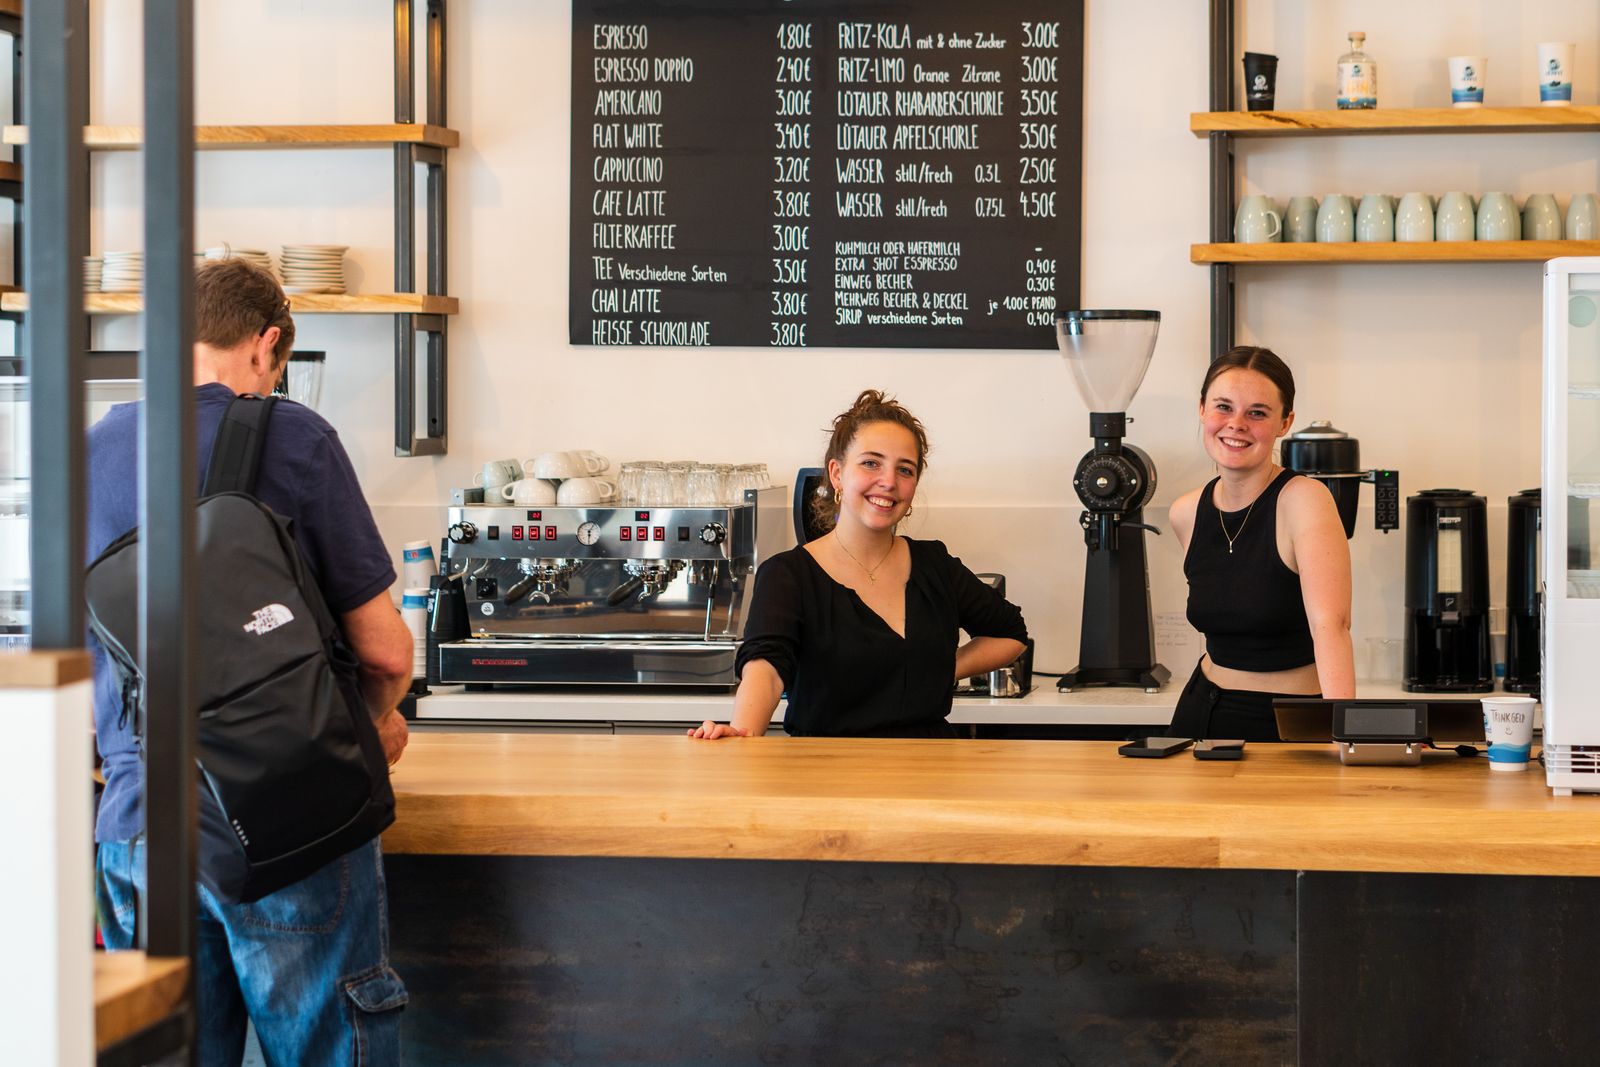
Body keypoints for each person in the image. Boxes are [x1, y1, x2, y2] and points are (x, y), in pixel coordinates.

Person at [88, 258, 414, 1065]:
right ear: (268, 344)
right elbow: (386, 650)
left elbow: (55, 662)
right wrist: (368, 723)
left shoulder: (91, 450)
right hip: (290, 817)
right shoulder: (294, 434)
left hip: (140, 825)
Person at [690, 389, 1028, 740]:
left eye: (905, 470)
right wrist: (744, 730)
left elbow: (1011, 633)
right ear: (836, 474)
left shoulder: (934, 565)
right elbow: (767, 668)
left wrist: (944, 668)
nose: (889, 481)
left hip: (931, 774)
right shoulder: (789, 575)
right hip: (827, 775)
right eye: (871, 463)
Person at [1166, 346, 1354, 741]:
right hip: (1202, 710)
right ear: (1202, 409)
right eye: (1223, 407)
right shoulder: (1186, 512)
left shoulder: (1304, 499)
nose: (1236, 424)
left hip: (1286, 722)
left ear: (1285, 422)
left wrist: (1345, 734)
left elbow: (1331, 626)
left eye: (1256, 412)